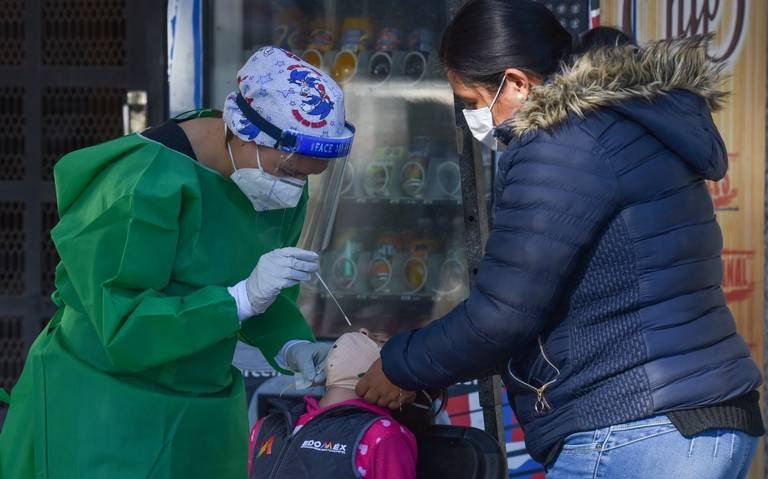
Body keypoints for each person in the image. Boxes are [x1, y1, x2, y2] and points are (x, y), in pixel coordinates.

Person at [356, 1, 765, 478]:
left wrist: (400, 366)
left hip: (634, 427)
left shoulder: (561, 144)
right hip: (701, 419)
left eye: (472, 102)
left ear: (515, 83)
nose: (474, 118)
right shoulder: (625, 120)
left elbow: (502, 314)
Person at [0, 47, 354, 479]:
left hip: (202, 407)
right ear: (245, 135)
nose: (296, 187)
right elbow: (124, 324)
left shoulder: (271, 180)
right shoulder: (141, 183)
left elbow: (266, 293)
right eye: (291, 171)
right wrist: (238, 301)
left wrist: (291, 345)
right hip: (105, 406)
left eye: (308, 176)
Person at [248, 331, 417, 479]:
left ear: (391, 376)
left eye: (379, 340)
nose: (363, 331)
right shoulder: (267, 425)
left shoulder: (383, 434)